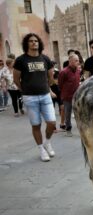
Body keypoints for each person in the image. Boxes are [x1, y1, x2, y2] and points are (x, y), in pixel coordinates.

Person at [13, 33, 57, 162]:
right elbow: (16, 79)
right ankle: (41, 149)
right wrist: (24, 90)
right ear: (27, 43)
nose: (34, 43)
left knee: (52, 123)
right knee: (36, 125)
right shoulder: (21, 60)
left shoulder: (45, 59)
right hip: (30, 98)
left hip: (45, 96)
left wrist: (46, 88)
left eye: (36, 41)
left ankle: (47, 142)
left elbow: (50, 77)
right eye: (31, 41)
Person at [58, 53, 81, 137]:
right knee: (68, 113)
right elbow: (60, 85)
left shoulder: (78, 70)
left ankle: (81, 129)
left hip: (77, 96)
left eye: (78, 60)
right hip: (67, 97)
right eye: (76, 60)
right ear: (70, 61)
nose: (78, 62)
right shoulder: (63, 72)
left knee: (79, 113)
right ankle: (68, 129)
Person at [50, 67, 65, 132]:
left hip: (59, 93)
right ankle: (53, 126)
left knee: (63, 107)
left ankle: (62, 124)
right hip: (51, 93)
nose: (57, 81)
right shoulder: (47, 73)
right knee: (51, 110)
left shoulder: (57, 72)